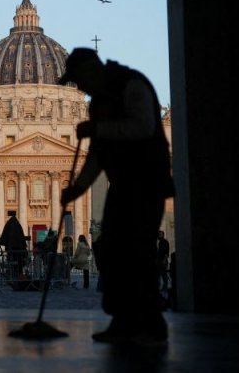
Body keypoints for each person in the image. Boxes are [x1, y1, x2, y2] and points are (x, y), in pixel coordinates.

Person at [58, 48, 175, 346]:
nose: (79, 88)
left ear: (91, 70)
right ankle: (123, 321)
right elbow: (97, 154)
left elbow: (144, 127)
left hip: (147, 181)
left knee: (137, 252)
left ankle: (150, 323)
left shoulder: (132, 85)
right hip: (121, 184)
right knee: (111, 249)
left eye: (79, 80)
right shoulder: (99, 102)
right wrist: (79, 188)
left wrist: (98, 128)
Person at [157, 230, 171, 297]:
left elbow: (166, 252)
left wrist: (164, 260)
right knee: (158, 274)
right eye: (158, 234)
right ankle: (160, 286)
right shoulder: (158, 242)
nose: (159, 235)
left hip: (162, 260)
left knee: (164, 274)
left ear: (163, 235)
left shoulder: (165, 242)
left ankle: (165, 286)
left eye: (160, 234)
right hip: (157, 260)